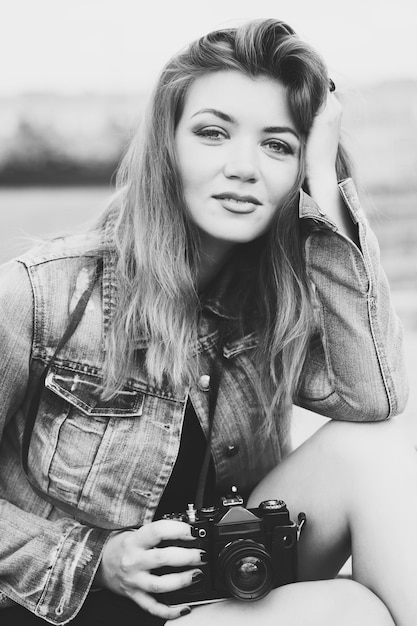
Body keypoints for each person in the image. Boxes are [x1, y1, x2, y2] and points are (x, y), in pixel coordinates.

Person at [0, 17, 414, 626]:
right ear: (166, 146)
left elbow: (375, 398)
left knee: (373, 455)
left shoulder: (274, 305)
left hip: (214, 593)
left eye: (278, 144)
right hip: (64, 607)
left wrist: (326, 185)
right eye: (214, 133)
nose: (244, 167)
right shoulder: (40, 292)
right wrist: (95, 557)